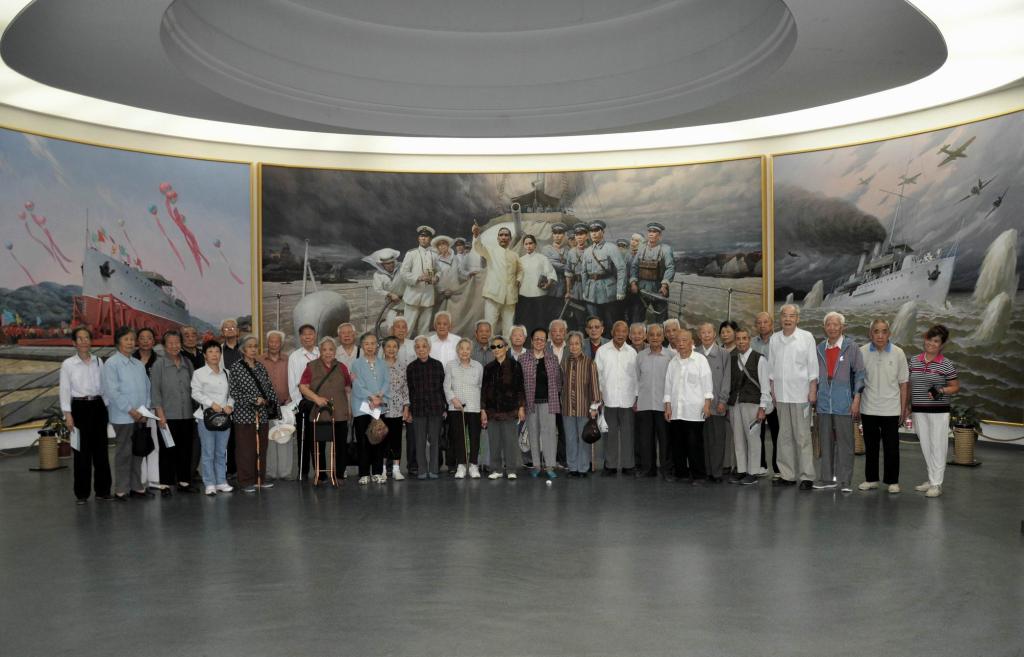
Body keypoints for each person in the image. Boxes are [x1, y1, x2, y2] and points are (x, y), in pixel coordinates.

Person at [812, 312, 864, 493]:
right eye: (829, 324)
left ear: (843, 327)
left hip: (844, 403)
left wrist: (856, 399)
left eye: (836, 324)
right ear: (824, 327)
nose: (832, 328)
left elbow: (860, 374)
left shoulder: (852, 347)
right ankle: (827, 478)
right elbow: (814, 375)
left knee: (845, 443)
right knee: (825, 442)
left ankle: (845, 481)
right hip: (824, 403)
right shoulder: (819, 348)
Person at [768, 304, 818, 489]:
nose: (788, 319)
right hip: (781, 395)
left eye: (792, 316)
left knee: (803, 437)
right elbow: (771, 368)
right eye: (784, 315)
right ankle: (787, 475)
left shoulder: (806, 337)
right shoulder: (774, 339)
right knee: (784, 437)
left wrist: (812, 390)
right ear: (780, 318)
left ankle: (806, 476)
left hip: (801, 395)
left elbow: (813, 367)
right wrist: (772, 390)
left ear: (798, 319)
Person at [60, 326, 111, 504]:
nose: (84, 341)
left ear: (91, 341)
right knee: (81, 453)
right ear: (74, 343)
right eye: (80, 338)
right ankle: (82, 494)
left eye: (87, 338)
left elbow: (104, 387)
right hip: (79, 408)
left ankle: (103, 491)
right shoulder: (68, 364)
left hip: (98, 406)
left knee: (101, 451)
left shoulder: (98, 361)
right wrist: (68, 415)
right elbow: (65, 390)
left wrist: (107, 408)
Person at [858, 319, 910, 494]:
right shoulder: (862, 352)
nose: (880, 335)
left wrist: (903, 408)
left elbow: (904, 383)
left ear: (889, 333)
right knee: (871, 447)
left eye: (884, 331)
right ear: (870, 333)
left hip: (891, 409)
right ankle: (871, 479)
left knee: (891, 448)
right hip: (868, 407)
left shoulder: (898, 353)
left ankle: (892, 481)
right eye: (876, 331)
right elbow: (858, 381)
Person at [908, 324, 959, 498]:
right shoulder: (914, 361)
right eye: (929, 339)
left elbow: (955, 386)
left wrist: (941, 390)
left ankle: (937, 484)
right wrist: (907, 406)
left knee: (938, 446)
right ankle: (931, 479)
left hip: (939, 411)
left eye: (936, 341)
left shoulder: (946, 364)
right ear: (925, 339)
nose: (931, 343)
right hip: (918, 410)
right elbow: (909, 385)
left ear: (942, 345)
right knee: (926, 445)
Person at [102, 326, 152, 501]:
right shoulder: (112, 364)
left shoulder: (138, 364)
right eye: (126, 339)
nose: (130, 342)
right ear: (118, 342)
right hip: (123, 416)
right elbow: (112, 391)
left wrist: (145, 410)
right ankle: (121, 490)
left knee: (138, 451)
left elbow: (147, 389)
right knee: (124, 453)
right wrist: (130, 410)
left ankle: (136, 486)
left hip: (140, 416)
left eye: (132, 339)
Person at [299, 336, 353, 485]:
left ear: (335, 351)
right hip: (319, 412)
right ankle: (320, 475)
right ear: (320, 351)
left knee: (340, 446)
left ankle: (339, 475)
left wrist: (349, 408)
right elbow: (303, 387)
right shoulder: (311, 366)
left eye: (331, 349)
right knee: (318, 446)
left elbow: (348, 388)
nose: (328, 352)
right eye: (324, 349)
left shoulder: (342, 367)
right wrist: (316, 398)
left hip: (340, 411)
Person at [229, 336, 280, 493]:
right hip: (244, 415)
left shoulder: (260, 366)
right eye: (250, 346)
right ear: (243, 349)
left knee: (261, 448)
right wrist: (253, 399)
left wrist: (275, 408)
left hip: (262, 414)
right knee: (245, 449)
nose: (253, 349)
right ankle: (246, 481)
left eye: (255, 346)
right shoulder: (236, 367)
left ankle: (260, 479)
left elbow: (269, 388)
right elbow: (233, 392)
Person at [663, 328, 713, 484]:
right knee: (678, 445)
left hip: (694, 411)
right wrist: (667, 407)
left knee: (694, 445)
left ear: (692, 342)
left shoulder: (700, 360)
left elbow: (708, 385)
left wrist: (707, 405)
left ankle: (699, 475)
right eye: (678, 340)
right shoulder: (673, 362)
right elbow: (668, 387)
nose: (681, 343)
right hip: (676, 411)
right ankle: (681, 474)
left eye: (684, 340)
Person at [150, 330, 196, 494]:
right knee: (167, 450)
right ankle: (165, 484)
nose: (174, 346)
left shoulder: (187, 363)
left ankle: (184, 482)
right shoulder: (159, 365)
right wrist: (160, 415)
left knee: (186, 449)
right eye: (170, 343)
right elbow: (155, 392)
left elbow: (194, 388)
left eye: (177, 342)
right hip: (167, 415)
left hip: (187, 414)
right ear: (164, 345)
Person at [726, 327, 771, 485]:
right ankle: (741, 469)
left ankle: (753, 471)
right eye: (738, 339)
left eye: (744, 338)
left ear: (749, 340)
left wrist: (762, 408)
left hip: (753, 404)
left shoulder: (760, 359)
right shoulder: (732, 360)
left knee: (753, 439)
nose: (741, 342)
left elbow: (765, 386)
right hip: (735, 405)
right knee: (738, 438)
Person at [191, 339, 234, 496]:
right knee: (208, 452)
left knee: (221, 452)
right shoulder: (199, 373)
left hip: (224, 417)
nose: (214, 355)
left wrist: (230, 405)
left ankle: (221, 481)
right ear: (205, 355)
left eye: (217, 351)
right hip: (206, 418)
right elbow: (195, 393)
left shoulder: (227, 373)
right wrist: (211, 403)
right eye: (210, 352)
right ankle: (209, 483)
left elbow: (232, 393)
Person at [594, 320, 638, 475]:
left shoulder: (632, 352)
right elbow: (597, 375)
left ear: (628, 334)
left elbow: (636, 377)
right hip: (608, 399)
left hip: (628, 400)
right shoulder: (602, 351)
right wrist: (599, 396)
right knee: (610, 434)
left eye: (624, 331)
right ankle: (610, 465)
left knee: (628, 434)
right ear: (612, 332)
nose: (620, 334)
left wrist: (636, 397)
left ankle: (628, 465)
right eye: (617, 331)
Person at [481, 336, 526, 479]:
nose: (496, 349)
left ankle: (511, 469)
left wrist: (521, 407)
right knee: (494, 442)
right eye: (493, 347)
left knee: (510, 441)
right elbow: (484, 390)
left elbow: (520, 388)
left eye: (499, 346)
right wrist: (483, 410)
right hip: (492, 411)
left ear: (506, 347)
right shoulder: (488, 368)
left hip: (510, 410)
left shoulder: (515, 365)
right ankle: (496, 469)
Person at [520, 327, 562, 479]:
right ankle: (537, 466)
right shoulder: (523, 359)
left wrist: (554, 396)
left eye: (542, 339)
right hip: (530, 403)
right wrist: (521, 405)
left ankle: (550, 466)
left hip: (548, 402)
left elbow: (558, 382)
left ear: (546, 342)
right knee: (533, 434)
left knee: (549, 434)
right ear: (531, 341)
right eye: (536, 339)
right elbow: (520, 383)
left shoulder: (552, 358)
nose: (539, 341)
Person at [350, 332, 390, 485]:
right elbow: (357, 384)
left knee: (378, 439)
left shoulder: (382, 363)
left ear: (377, 346)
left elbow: (387, 382)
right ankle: (364, 473)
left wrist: (379, 396)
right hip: (361, 407)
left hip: (378, 406)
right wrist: (371, 397)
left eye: (373, 343)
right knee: (363, 440)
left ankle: (378, 472)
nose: (370, 346)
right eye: (367, 343)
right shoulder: (356, 364)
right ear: (362, 346)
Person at [471, 223, 523, 339]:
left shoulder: (514, 255)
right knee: (489, 326)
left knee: (508, 328)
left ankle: (507, 349)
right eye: (501, 235)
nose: (503, 237)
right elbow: (478, 247)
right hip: (493, 294)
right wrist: (476, 235)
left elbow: (520, 270)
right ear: (498, 238)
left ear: (510, 239)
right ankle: (487, 349)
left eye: (506, 235)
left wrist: (519, 279)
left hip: (510, 296)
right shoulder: (490, 251)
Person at [405, 336, 447, 479]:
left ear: (429, 348)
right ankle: (422, 470)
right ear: (415, 349)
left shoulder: (438, 365)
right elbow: (410, 391)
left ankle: (434, 469)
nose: (421, 349)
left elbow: (442, 388)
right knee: (420, 441)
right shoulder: (411, 367)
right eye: (418, 347)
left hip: (436, 408)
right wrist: (409, 410)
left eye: (424, 346)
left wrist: (445, 408)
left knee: (435, 440)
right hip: (418, 409)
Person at [561, 331, 601, 477]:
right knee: (570, 439)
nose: (574, 346)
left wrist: (594, 407)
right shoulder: (564, 363)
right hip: (567, 408)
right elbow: (561, 384)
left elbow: (594, 386)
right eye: (571, 344)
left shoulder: (590, 363)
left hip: (584, 408)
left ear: (581, 345)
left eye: (576, 343)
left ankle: (583, 468)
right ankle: (572, 468)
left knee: (584, 438)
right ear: (568, 345)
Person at [635, 323, 672, 478]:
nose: (655, 338)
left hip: (664, 405)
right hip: (644, 404)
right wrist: (636, 400)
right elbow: (637, 380)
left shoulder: (671, 356)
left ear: (663, 337)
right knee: (646, 440)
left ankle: (666, 471)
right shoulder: (640, 356)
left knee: (665, 440)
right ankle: (648, 469)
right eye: (651, 335)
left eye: (658, 335)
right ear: (647, 337)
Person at [696, 322, 732, 482]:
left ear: (714, 334)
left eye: (709, 332)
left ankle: (716, 472)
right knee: (702, 439)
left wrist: (723, 400)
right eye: (703, 333)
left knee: (717, 439)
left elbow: (726, 379)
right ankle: (705, 470)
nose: (706, 335)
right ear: (699, 335)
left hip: (717, 403)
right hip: (698, 405)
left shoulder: (723, 354)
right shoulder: (694, 353)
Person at [443, 337, 484, 479]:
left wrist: (482, 409)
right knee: (458, 437)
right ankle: (461, 465)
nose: (464, 351)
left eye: (467, 349)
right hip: (456, 408)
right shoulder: (450, 365)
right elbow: (446, 386)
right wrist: (453, 399)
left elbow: (480, 386)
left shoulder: (478, 366)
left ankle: (473, 465)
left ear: (471, 351)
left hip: (474, 407)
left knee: (474, 437)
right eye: (462, 348)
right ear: (457, 351)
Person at [257, 330, 293, 481]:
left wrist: (291, 397)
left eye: (277, 341)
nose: (274, 344)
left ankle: (285, 472)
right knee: (269, 439)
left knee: (285, 437)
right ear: (267, 342)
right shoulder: (259, 360)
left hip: (285, 404)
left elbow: (294, 379)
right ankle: (270, 472)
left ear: (281, 343)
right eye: (271, 341)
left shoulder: (288, 360)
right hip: (267, 405)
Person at [582, 220, 626, 336]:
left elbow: (621, 269)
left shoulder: (611, 248)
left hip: (608, 291)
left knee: (610, 323)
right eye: (591, 231)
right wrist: (585, 291)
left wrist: (620, 290)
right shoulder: (587, 251)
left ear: (602, 232)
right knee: (593, 324)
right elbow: (584, 273)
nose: (594, 233)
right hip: (591, 292)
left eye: (596, 230)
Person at [752, 311, 780, 478]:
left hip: (776, 393)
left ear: (771, 324)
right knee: (758, 432)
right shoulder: (751, 343)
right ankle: (761, 465)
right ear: (756, 325)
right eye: (759, 322)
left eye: (765, 322)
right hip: (758, 393)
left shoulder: (779, 341)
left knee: (777, 432)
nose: (762, 325)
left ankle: (778, 468)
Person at [399, 225, 441, 337]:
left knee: (424, 329)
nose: (423, 239)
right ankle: (404, 347)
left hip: (428, 295)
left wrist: (436, 277)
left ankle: (422, 347)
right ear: (418, 238)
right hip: (413, 295)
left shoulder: (434, 255)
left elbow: (439, 271)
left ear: (430, 239)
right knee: (407, 328)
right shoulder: (411, 254)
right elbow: (403, 273)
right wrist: (418, 277)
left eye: (426, 237)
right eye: (421, 236)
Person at [629, 222, 674, 322]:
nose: (651, 234)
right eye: (649, 231)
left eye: (654, 232)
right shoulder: (641, 249)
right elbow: (634, 266)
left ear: (660, 235)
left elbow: (670, 268)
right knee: (636, 318)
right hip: (641, 289)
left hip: (659, 289)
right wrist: (633, 283)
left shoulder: (666, 249)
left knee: (662, 319)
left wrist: (664, 285)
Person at [516, 234, 557, 333]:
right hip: (524, 296)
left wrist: (548, 283)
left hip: (539, 296)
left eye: (530, 243)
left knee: (540, 322)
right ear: (524, 245)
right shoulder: (520, 260)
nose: (528, 246)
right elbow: (517, 277)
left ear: (535, 245)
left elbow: (551, 273)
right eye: (526, 244)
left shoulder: (542, 258)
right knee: (525, 322)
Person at [381, 336, 409, 481]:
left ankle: (396, 469)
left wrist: (406, 407)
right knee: (382, 439)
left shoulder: (403, 366)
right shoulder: (377, 365)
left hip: (397, 408)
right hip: (381, 408)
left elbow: (405, 389)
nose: (391, 349)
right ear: (383, 348)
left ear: (398, 349)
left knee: (396, 439)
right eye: (388, 346)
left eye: (394, 346)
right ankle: (382, 469)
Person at [366, 248, 404, 327]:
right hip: (392, 305)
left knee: (406, 327)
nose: (391, 265)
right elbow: (378, 289)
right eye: (388, 263)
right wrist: (390, 294)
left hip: (407, 303)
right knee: (391, 326)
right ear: (382, 264)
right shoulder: (378, 275)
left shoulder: (402, 268)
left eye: (392, 262)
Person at [563, 223, 590, 331]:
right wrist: (568, 291)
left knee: (593, 317)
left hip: (591, 286)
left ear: (587, 236)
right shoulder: (571, 252)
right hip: (577, 288)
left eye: (582, 234)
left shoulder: (592, 250)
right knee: (579, 318)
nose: (579, 237)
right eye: (577, 235)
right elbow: (568, 273)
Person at [542, 223, 570, 321]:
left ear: (564, 235)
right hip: (550, 287)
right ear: (552, 235)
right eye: (555, 233)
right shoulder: (546, 249)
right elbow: (550, 263)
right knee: (549, 314)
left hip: (564, 287)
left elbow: (571, 265)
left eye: (560, 233)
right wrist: (566, 267)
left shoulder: (567, 250)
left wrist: (557, 263)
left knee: (561, 314)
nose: (557, 236)